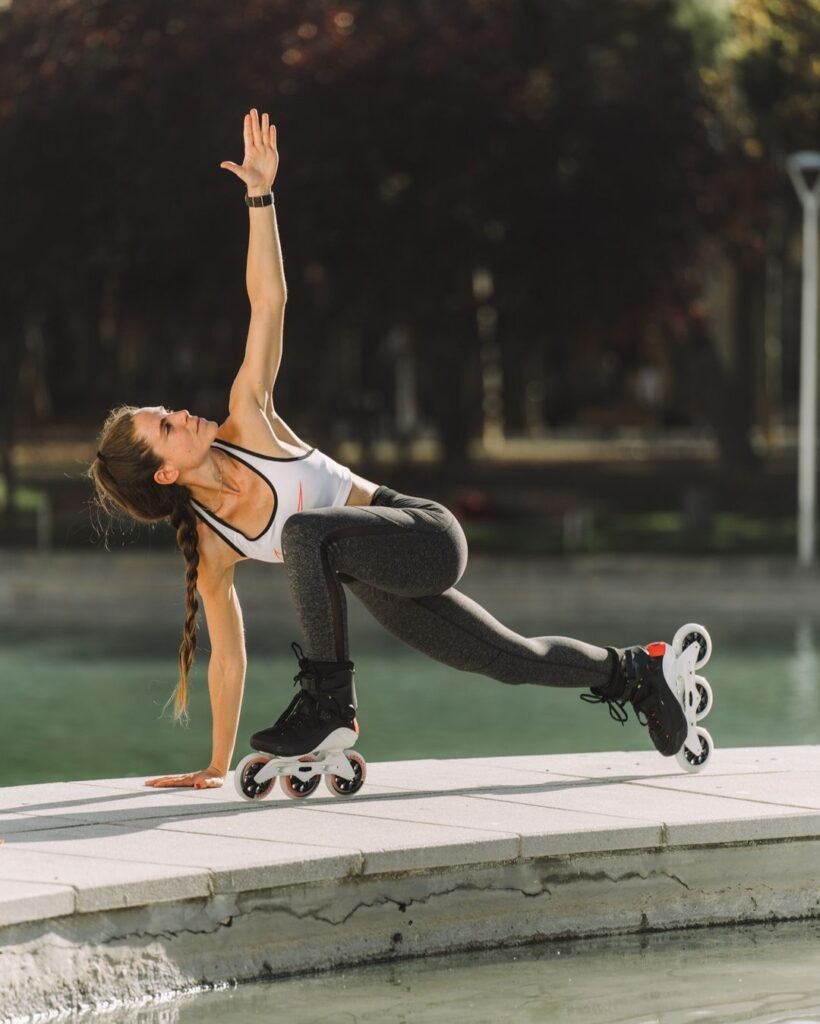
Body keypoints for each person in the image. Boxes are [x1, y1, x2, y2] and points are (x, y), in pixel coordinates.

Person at [89, 109, 687, 791]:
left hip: (424, 533)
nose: (180, 413)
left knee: (307, 531)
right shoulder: (213, 544)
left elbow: (269, 302)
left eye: (166, 411)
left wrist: (261, 196)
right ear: (165, 472)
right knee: (507, 657)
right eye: (165, 425)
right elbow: (228, 657)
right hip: (380, 579)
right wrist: (216, 764)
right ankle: (640, 673)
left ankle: (328, 703)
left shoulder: (246, 420)